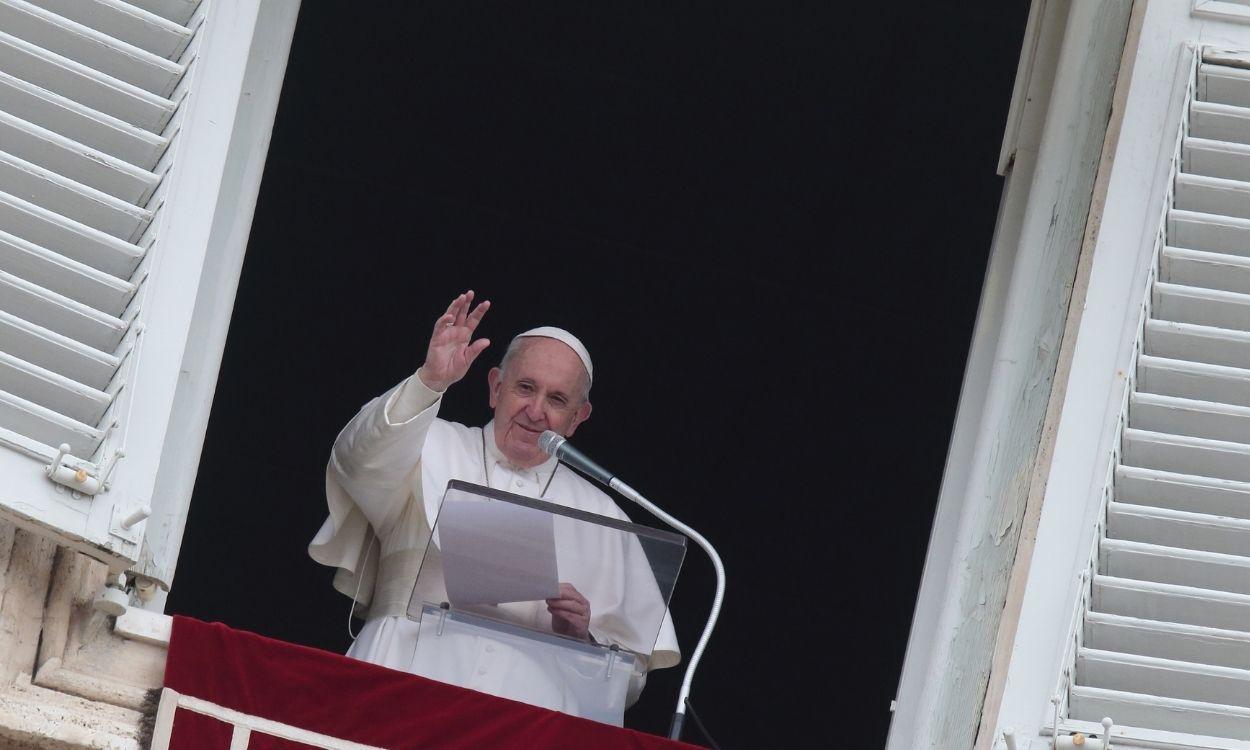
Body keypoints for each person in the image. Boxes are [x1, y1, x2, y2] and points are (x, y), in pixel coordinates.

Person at [308, 290, 679, 719]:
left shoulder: (603, 514)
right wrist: (429, 381)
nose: (536, 411)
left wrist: (582, 639)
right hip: (397, 689)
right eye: (525, 387)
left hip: (523, 723)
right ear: (496, 387)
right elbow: (356, 459)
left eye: (557, 400)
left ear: (578, 418)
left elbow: (629, 678)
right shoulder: (427, 442)